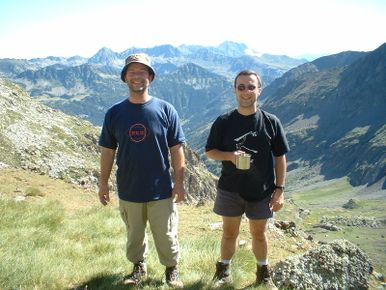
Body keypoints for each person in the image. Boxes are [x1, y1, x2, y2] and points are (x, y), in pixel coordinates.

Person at [98, 53, 185, 288]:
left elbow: (177, 149)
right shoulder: (114, 113)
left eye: (142, 72)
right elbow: (107, 151)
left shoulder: (166, 110)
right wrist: (103, 182)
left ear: (151, 77)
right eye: (132, 72)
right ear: (125, 77)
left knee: (166, 235)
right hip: (129, 188)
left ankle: (171, 269)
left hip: (161, 190)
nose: (137, 76)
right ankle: (138, 266)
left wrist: (179, 182)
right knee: (134, 235)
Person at [205, 70, 289, 289]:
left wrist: (279, 189)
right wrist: (229, 156)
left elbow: (280, 157)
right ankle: (223, 271)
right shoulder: (224, 122)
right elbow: (210, 152)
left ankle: (263, 273)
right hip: (230, 189)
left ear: (259, 90)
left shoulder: (271, 122)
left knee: (259, 235)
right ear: (234, 90)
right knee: (229, 233)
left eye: (251, 87)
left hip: (261, 191)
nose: (246, 91)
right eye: (241, 87)